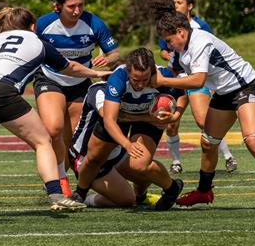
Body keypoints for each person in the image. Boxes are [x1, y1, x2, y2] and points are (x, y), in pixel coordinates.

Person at [0, 7, 112, 218]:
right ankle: (55, 195)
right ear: (32, 26)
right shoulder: (38, 42)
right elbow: (69, 68)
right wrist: (97, 72)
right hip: (1, 91)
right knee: (43, 141)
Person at [154, 10, 255, 213]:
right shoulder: (179, 52)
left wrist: (162, 80)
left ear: (180, 32)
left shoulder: (201, 41)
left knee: (253, 140)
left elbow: (197, 81)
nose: (168, 46)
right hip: (224, 93)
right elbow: (179, 83)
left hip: (246, 86)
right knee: (208, 142)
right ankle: (204, 192)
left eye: (169, 40)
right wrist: (173, 109)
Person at [70, 48, 186, 211]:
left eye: (144, 79)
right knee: (97, 156)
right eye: (135, 80)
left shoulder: (162, 76)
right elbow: (110, 120)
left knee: (138, 164)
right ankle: (80, 193)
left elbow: (182, 93)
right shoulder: (118, 78)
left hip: (147, 120)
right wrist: (127, 144)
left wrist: (176, 115)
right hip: (122, 118)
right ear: (127, 71)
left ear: (152, 72)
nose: (139, 85)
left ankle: (171, 188)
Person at [34, 0, 120, 196]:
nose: (77, 11)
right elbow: (29, 49)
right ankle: (59, 180)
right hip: (50, 79)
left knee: (74, 138)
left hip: (80, 83)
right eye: (71, 6)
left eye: (80, 5)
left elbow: (115, 53)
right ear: (58, 6)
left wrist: (108, 59)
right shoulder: (44, 24)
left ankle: (77, 182)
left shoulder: (93, 23)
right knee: (53, 129)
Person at [157, 0, 237, 174]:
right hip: (178, 78)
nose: (175, 5)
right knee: (171, 122)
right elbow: (163, 50)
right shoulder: (169, 25)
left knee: (203, 121)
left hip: (195, 79)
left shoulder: (201, 27)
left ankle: (227, 156)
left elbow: (212, 55)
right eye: (174, 2)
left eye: (179, 2)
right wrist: (173, 59)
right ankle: (176, 162)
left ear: (190, 6)